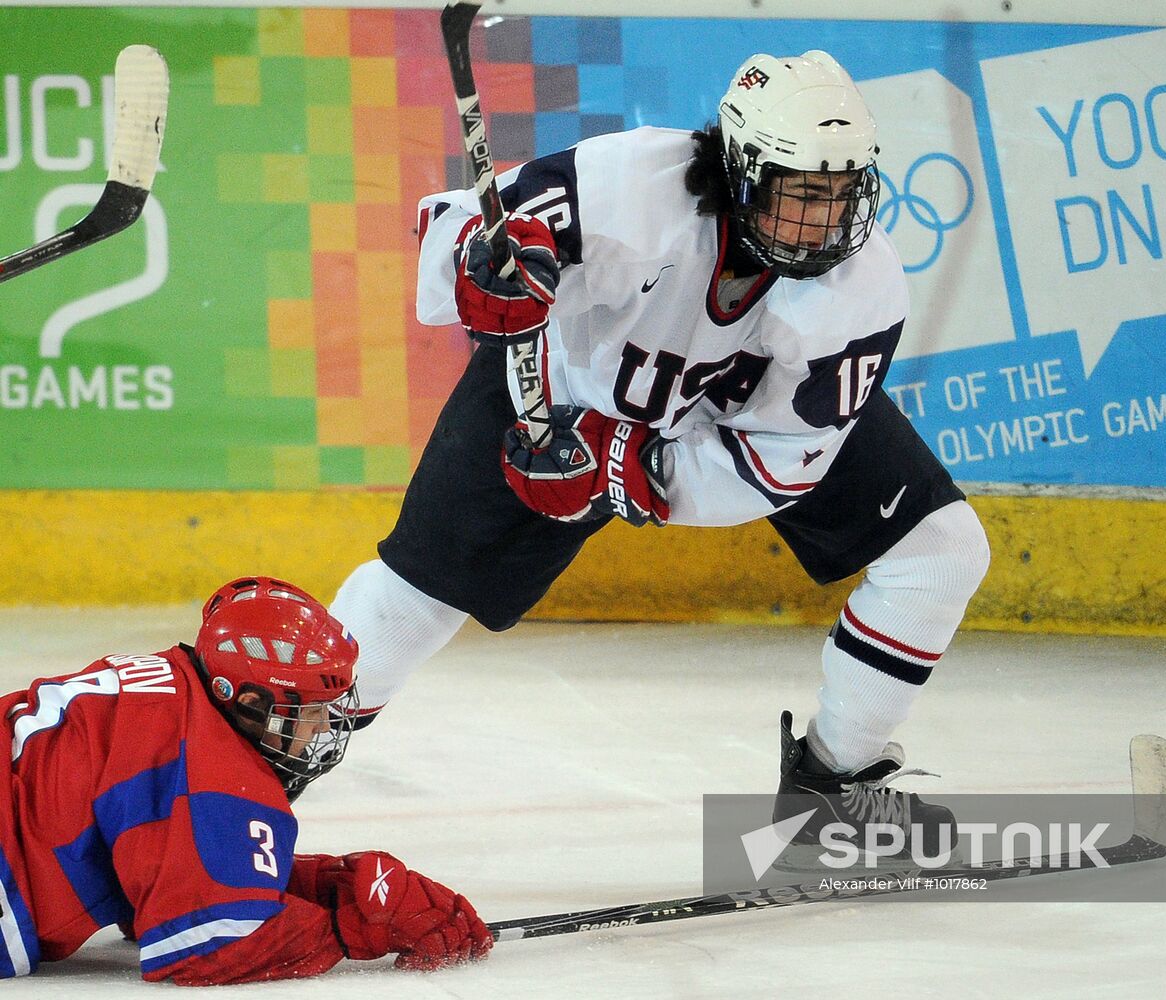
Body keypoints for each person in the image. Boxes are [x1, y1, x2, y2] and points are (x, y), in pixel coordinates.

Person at [331, 51, 990, 842]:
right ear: (742, 173)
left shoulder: (860, 289)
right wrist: (484, 270)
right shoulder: (625, 187)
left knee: (940, 548)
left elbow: (778, 464)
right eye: (803, 195)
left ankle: (829, 796)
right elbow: (464, 234)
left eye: (844, 193)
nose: (828, 223)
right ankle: (250, 771)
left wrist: (632, 471)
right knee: (410, 603)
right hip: (557, 397)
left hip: (723, 419)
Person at [0, 576, 491, 984]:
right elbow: (211, 944)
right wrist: (356, 926)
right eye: (310, 709)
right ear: (251, 705)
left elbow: (168, 867)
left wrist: (331, 885)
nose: (323, 727)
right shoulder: (209, 770)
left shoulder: (172, 688)